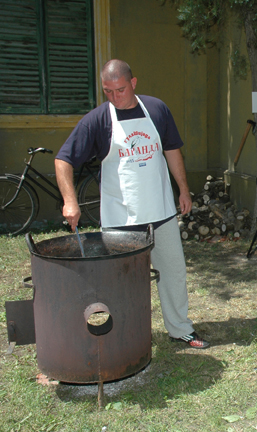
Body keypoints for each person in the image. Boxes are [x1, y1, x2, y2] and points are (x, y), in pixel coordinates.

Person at [55, 59, 209, 349]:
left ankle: (180, 329)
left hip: (161, 212)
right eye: (108, 91)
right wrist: (69, 201)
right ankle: (126, 336)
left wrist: (184, 190)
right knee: (121, 283)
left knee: (173, 272)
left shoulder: (157, 109)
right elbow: (63, 159)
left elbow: (172, 150)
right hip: (120, 219)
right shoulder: (97, 120)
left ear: (133, 83)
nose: (115, 97)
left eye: (121, 90)